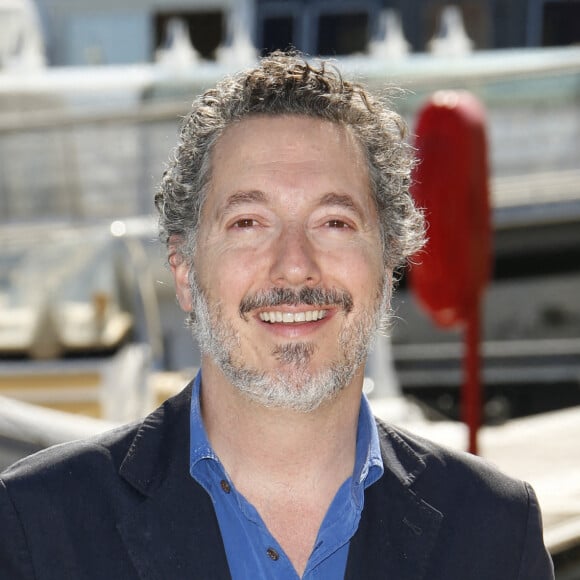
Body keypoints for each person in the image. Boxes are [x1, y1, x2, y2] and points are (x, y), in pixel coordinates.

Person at [0, 52, 553, 579]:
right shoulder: (37, 525)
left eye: (333, 222)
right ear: (186, 272)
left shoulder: (495, 534)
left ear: (387, 269)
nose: (294, 268)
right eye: (249, 223)